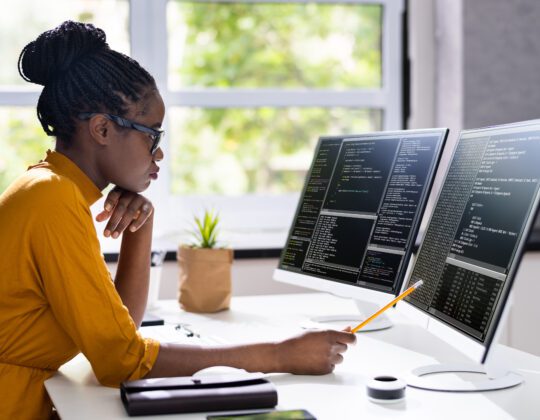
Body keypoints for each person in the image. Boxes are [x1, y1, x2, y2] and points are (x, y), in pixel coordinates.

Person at [0, 21, 356, 419]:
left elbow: (120, 332)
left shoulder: (51, 187)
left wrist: (142, 225)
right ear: (102, 129)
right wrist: (280, 354)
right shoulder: (53, 199)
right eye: (151, 134)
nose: (159, 154)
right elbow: (120, 360)